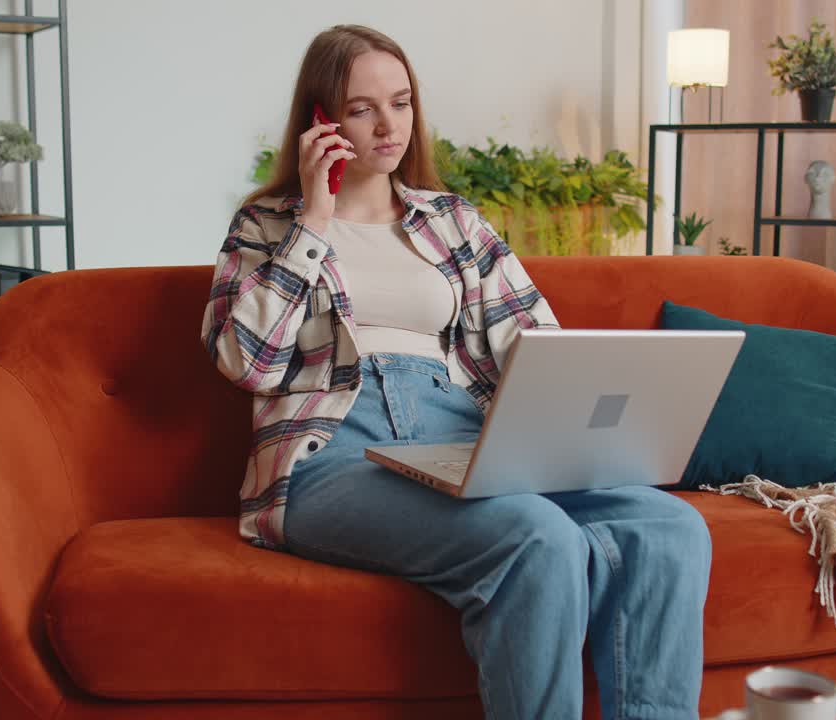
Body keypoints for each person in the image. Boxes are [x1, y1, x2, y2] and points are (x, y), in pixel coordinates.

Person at [201, 23, 712, 720]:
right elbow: (246, 362)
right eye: (361, 108)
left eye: (402, 102)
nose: (389, 125)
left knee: (670, 528)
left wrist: (574, 422)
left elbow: (539, 343)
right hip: (331, 454)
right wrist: (314, 222)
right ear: (320, 120)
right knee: (538, 535)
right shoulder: (266, 226)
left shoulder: (454, 222)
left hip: (458, 433)